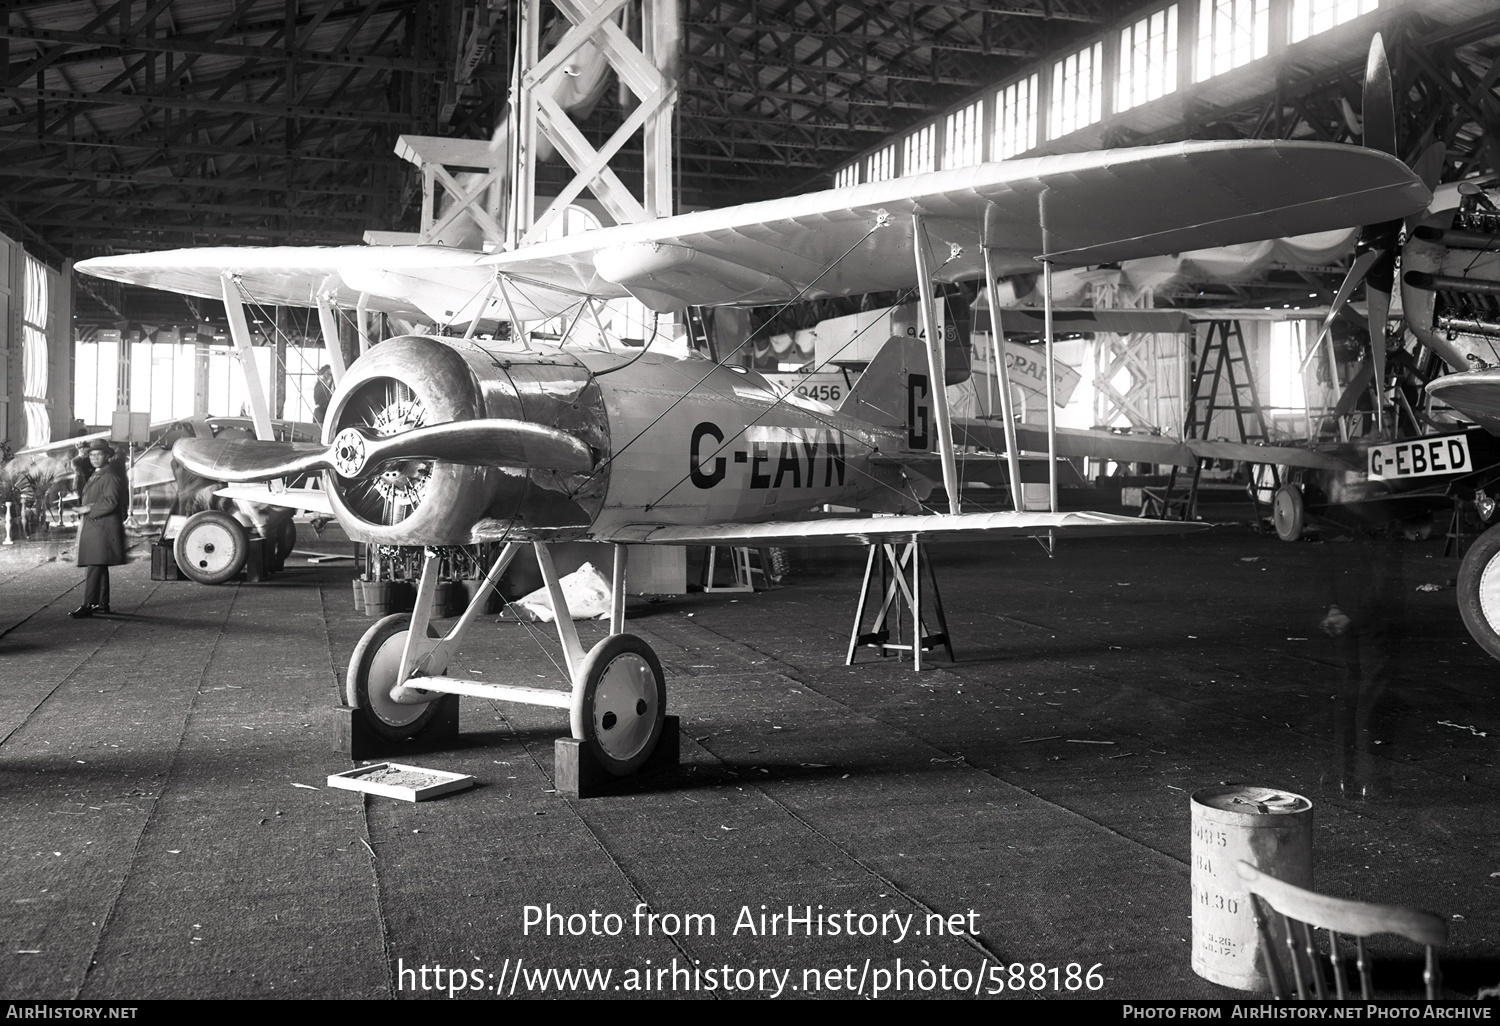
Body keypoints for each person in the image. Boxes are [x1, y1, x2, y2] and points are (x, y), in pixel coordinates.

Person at [72, 439, 128, 619]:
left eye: (99, 455)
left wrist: (87, 508)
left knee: (95, 565)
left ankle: (89, 604)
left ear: (107, 456)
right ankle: (102, 604)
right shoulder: (99, 474)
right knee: (99, 564)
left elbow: (111, 502)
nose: (94, 458)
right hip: (98, 526)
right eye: (92, 455)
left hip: (102, 527)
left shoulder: (109, 475)